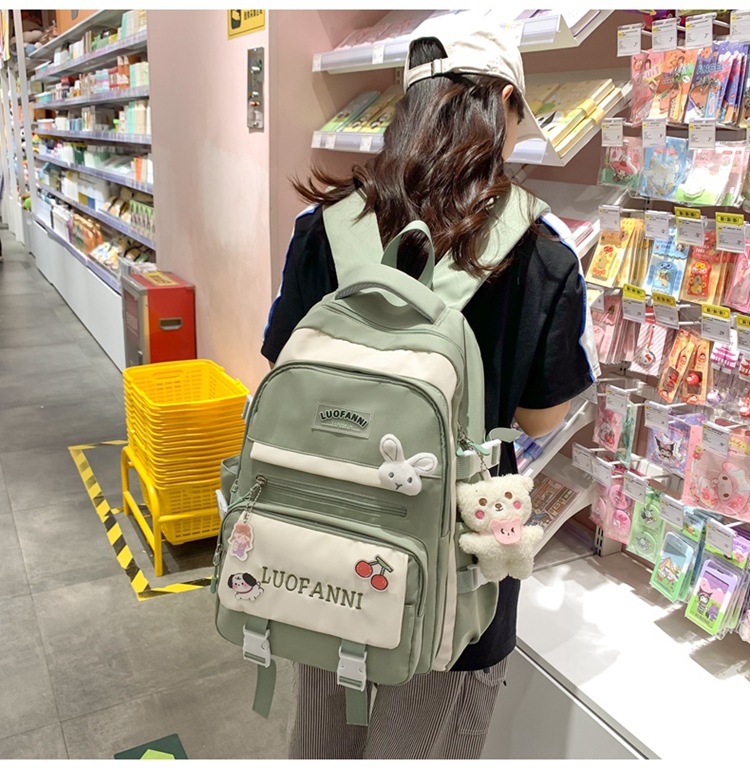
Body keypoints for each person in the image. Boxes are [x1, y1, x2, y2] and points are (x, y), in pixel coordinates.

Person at [261, 11, 600, 761]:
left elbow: (285, 367)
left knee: (324, 743)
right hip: (460, 581)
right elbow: (542, 416)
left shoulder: (324, 226)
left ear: (407, 104)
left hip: (328, 548)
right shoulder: (543, 252)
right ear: (503, 103)